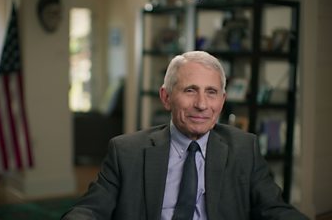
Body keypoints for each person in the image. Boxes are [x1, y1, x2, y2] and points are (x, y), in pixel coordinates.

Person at [61, 51, 308, 220]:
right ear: (166, 97)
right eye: (190, 90)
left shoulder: (244, 148)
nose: (202, 104)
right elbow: (89, 210)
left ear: (222, 101)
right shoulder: (127, 152)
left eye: (211, 92)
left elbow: (275, 210)